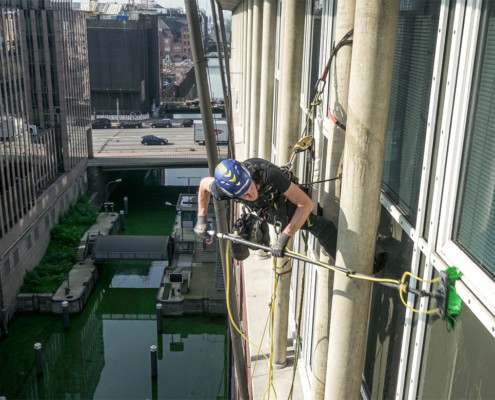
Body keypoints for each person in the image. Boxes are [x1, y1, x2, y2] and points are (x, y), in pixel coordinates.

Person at [194, 158, 338, 260]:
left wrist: (284, 237)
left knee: (314, 225)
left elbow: (306, 204)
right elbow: (203, 184)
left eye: (250, 185)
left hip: (280, 197)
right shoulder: (223, 190)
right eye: (244, 194)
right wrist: (201, 219)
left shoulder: (268, 174)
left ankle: (341, 254)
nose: (250, 192)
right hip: (262, 207)